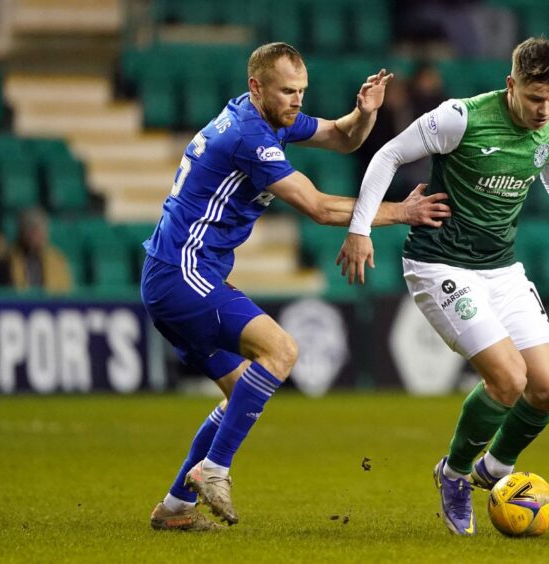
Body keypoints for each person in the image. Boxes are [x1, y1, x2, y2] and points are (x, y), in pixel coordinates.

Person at [141, 42, 451, 532]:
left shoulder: (267, 119)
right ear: (256, 87)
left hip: (172, 274)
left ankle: (177, 507)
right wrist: (401, 212)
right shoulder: (250, 136)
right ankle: (214, 470)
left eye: (302, 91)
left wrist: (362, 113)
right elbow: (319, 208)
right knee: (281, 352)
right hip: (184, 274)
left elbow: (343, 138)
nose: (297, 101)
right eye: (288, 91)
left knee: (242, 391)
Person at [337, 37, 549, 536]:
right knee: (507, 380)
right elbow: (387, 156)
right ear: (512, 85)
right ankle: (455, 474)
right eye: (534, 98)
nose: (543, 110)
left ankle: (495, 469)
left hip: (501, 268)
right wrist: (360, 229)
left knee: (547, 389)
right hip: (439, 264)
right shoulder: (459, 118)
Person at [8, 207, 72, 293]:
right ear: (22, 232)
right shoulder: (8, 258)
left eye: (39, 229)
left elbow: (64, 292)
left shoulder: (57, 259)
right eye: (31, 230)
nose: (36, 235)